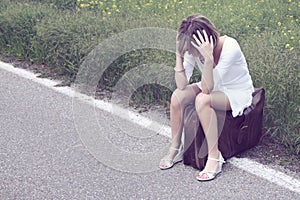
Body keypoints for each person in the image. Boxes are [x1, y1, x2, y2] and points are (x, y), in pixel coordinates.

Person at [159, 14, 254, 181]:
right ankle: (176, 147)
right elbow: (182, 84)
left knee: (202, 100)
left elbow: (208, 90)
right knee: (177, 97)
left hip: (235, 91)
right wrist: (179, 55)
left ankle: (214, 157)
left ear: (206, 40)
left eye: (191, 49)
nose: (191, 53)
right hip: (211, 85)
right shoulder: (192, 48)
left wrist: (209, 61)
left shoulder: (230, 46)